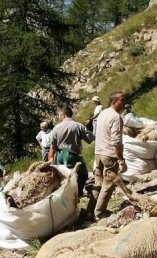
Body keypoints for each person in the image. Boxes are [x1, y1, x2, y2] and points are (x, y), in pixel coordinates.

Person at [86, 92, 128, 221]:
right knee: (108, 185)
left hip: (98, 153)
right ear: (114, 101)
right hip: (109, 155)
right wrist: (121, 160)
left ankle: (89, 211)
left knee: (97, 184)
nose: (124, 102)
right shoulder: (116, 117)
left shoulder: (103, 114)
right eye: (122, 100)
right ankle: (99, 214)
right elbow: (116, 141)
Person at [49, 106, 94, 196]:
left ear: (63, 115)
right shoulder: (78, 126)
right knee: (83, 174)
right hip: (73, 156)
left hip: (60, 156)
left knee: (62, 177)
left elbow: (52, 147)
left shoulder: (56, 128)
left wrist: (50, 160)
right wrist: (90, 129)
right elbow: (90, 139)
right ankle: (79, 193)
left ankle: (63, 195)